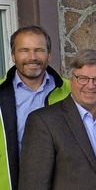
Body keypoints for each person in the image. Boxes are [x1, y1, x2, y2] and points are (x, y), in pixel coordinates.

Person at [18, 49, 96, 189]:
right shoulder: (43, 122)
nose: (90, 86)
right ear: (71, 81)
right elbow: (34, 184)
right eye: (83, 78)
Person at [0, 25, 71, 189]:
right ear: (13, 55)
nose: (32, 57)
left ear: (49, 55)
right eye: (24, 50)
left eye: (39, 50)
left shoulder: (71, 93)